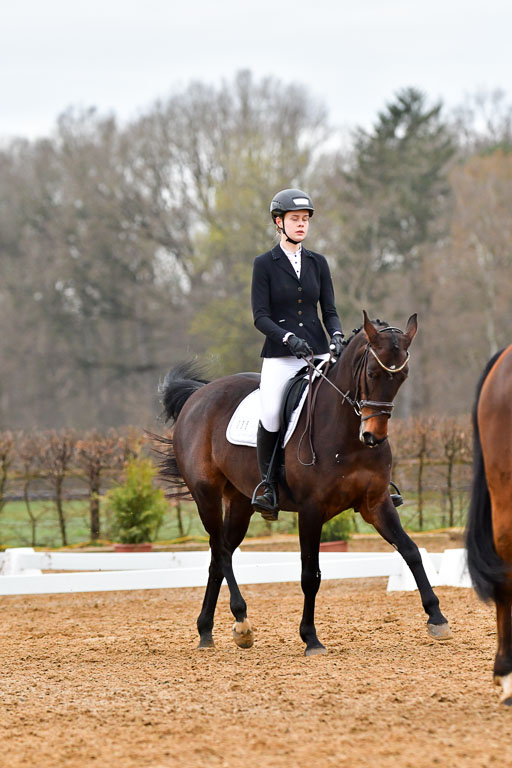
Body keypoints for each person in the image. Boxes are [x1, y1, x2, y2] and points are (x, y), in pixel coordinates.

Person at [250, 188, 344, 521]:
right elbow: (260, 316)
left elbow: (329, 310)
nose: (301, 225)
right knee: (273, 413)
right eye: (295, 219)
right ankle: (268, 486)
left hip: (317, 352)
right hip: (281, 355)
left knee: (345, 403)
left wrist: (336, 335)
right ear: (279, 222)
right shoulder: (264, 264)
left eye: (305, 220)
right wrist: (288, 337)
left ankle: (369, 476)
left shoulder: (319, 263)